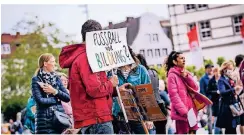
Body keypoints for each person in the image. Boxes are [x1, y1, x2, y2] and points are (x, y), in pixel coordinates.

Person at [59, 19, 129, 134]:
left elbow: (93, 88)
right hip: (97, 118)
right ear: (94, 36)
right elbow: (94, 90)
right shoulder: (87, 57)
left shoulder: (81, 57)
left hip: (91, 117)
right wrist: (111, 83)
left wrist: (116, 90)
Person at [110, 47, 155, 134]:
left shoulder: (141, 70)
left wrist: (149, 118)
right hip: (120, 117)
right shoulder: (112, 72)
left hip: (140, 116)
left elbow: (148, 95)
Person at [31, 53, 70, 134]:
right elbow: (40, 101)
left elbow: (67, 97)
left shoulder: (56, 78)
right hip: (44, 122)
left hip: (59, 120)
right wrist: (56, 99)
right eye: (52, 61)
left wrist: (54, 91)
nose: (54, 64)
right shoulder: (36, 80)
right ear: (45, 63)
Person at [165, 51, 199, 134]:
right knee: (183, 132)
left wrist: (187, 77)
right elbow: (173, 96)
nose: (184, 60)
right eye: (181, 58)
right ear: (174, 61)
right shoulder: (172, 75)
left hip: (191, 110)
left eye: (184, 58)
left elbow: (195, 87)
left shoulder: (185, 72)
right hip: (182, 113)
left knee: (193, 132)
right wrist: (183, 112)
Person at [136, 53, 168, 134]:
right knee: (161, 132)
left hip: (151, 107)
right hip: (160, 104)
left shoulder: (142, 74)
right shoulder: (153, 72)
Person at [216, 61, 242, 134]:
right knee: (230, 128)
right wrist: (234, 89)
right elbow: (222, 92)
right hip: (227, 108)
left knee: (233, 127)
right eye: (229, 69)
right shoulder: (221, 80)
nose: (231, 71)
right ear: (224, 70)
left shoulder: (230, 79)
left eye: (232, 69)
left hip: (233, 106)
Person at [200, 64, 214, 134]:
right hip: (208, 101)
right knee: (210, 118)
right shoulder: (203, 79)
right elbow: (202, 91)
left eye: (211, 68)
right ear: (206, 69)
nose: (211, 69)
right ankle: (210, 132)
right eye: (209, 68)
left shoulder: (214, 77)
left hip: (216, 101)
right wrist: (205, 102)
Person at [207, 67, 221, 134]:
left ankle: (219, 131)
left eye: (218, 72)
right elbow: (208, 91)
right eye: (216, 72)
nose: (217, 73)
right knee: (216, 118)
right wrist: (216, 92)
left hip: (222, 101)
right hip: (215, 102)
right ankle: (216, 132)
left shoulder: (222, 79)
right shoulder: (211, 81)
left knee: (221, 118)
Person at [235, 55, 244, 134]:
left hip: (238, 98)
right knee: (242, 120)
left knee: (242, 120)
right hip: (241, 97)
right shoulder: (239, 71)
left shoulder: (236, 71)